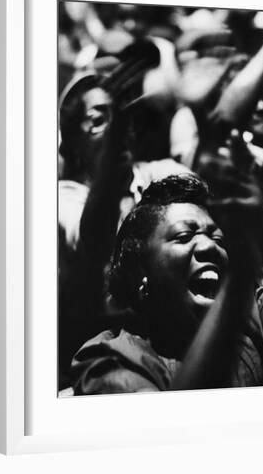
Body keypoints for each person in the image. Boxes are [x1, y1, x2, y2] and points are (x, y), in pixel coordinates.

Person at [68, 163, 263, 394]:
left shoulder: (254, 310)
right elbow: (171, 428)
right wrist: (238, 279)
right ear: (140, 270)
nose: (210, 247)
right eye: (184, 236)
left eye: (219, 240)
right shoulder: (108, 358)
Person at [57, 42, 191, 387]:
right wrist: (112, 169)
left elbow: (210, 201)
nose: (118, 125)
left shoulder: (159, 171)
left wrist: (202, 114)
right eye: (99, 120)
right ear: (70, 144)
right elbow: (91, 241)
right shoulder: (61, 198)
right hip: (107, 349)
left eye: (121, 115)